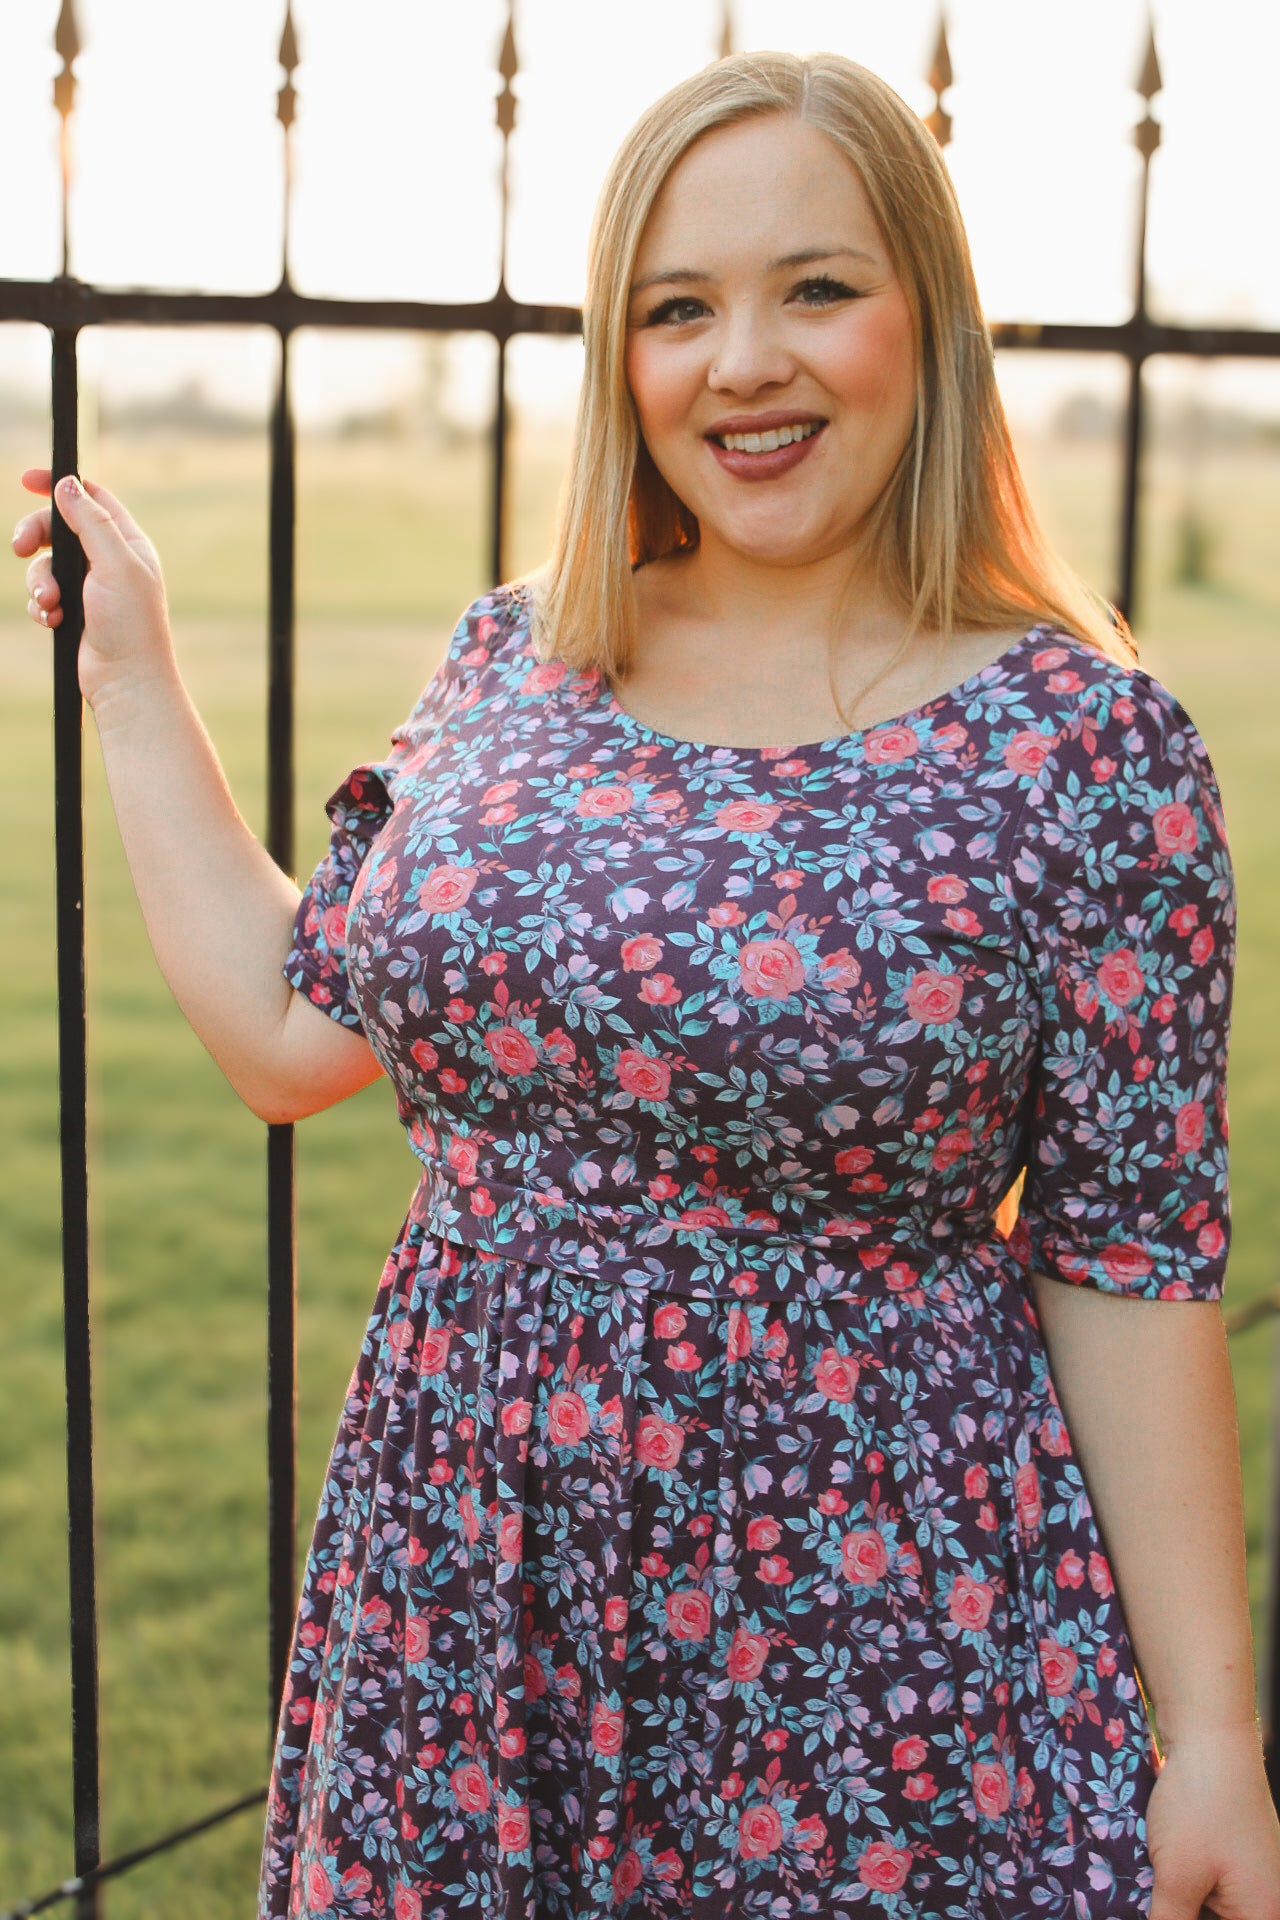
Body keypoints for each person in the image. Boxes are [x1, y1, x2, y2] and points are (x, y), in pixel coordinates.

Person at [13, 45, 1279, 1920]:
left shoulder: (1088, 754)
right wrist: (129, 678)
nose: (740, 361)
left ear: (929, 316)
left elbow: (1129, 1262)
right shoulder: (523, 654)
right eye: (678, 307)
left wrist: (1212, 1742)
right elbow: (295, 1034)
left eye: (816, 289)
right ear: (622, 353)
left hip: (866, 1641)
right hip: (461, 1600)